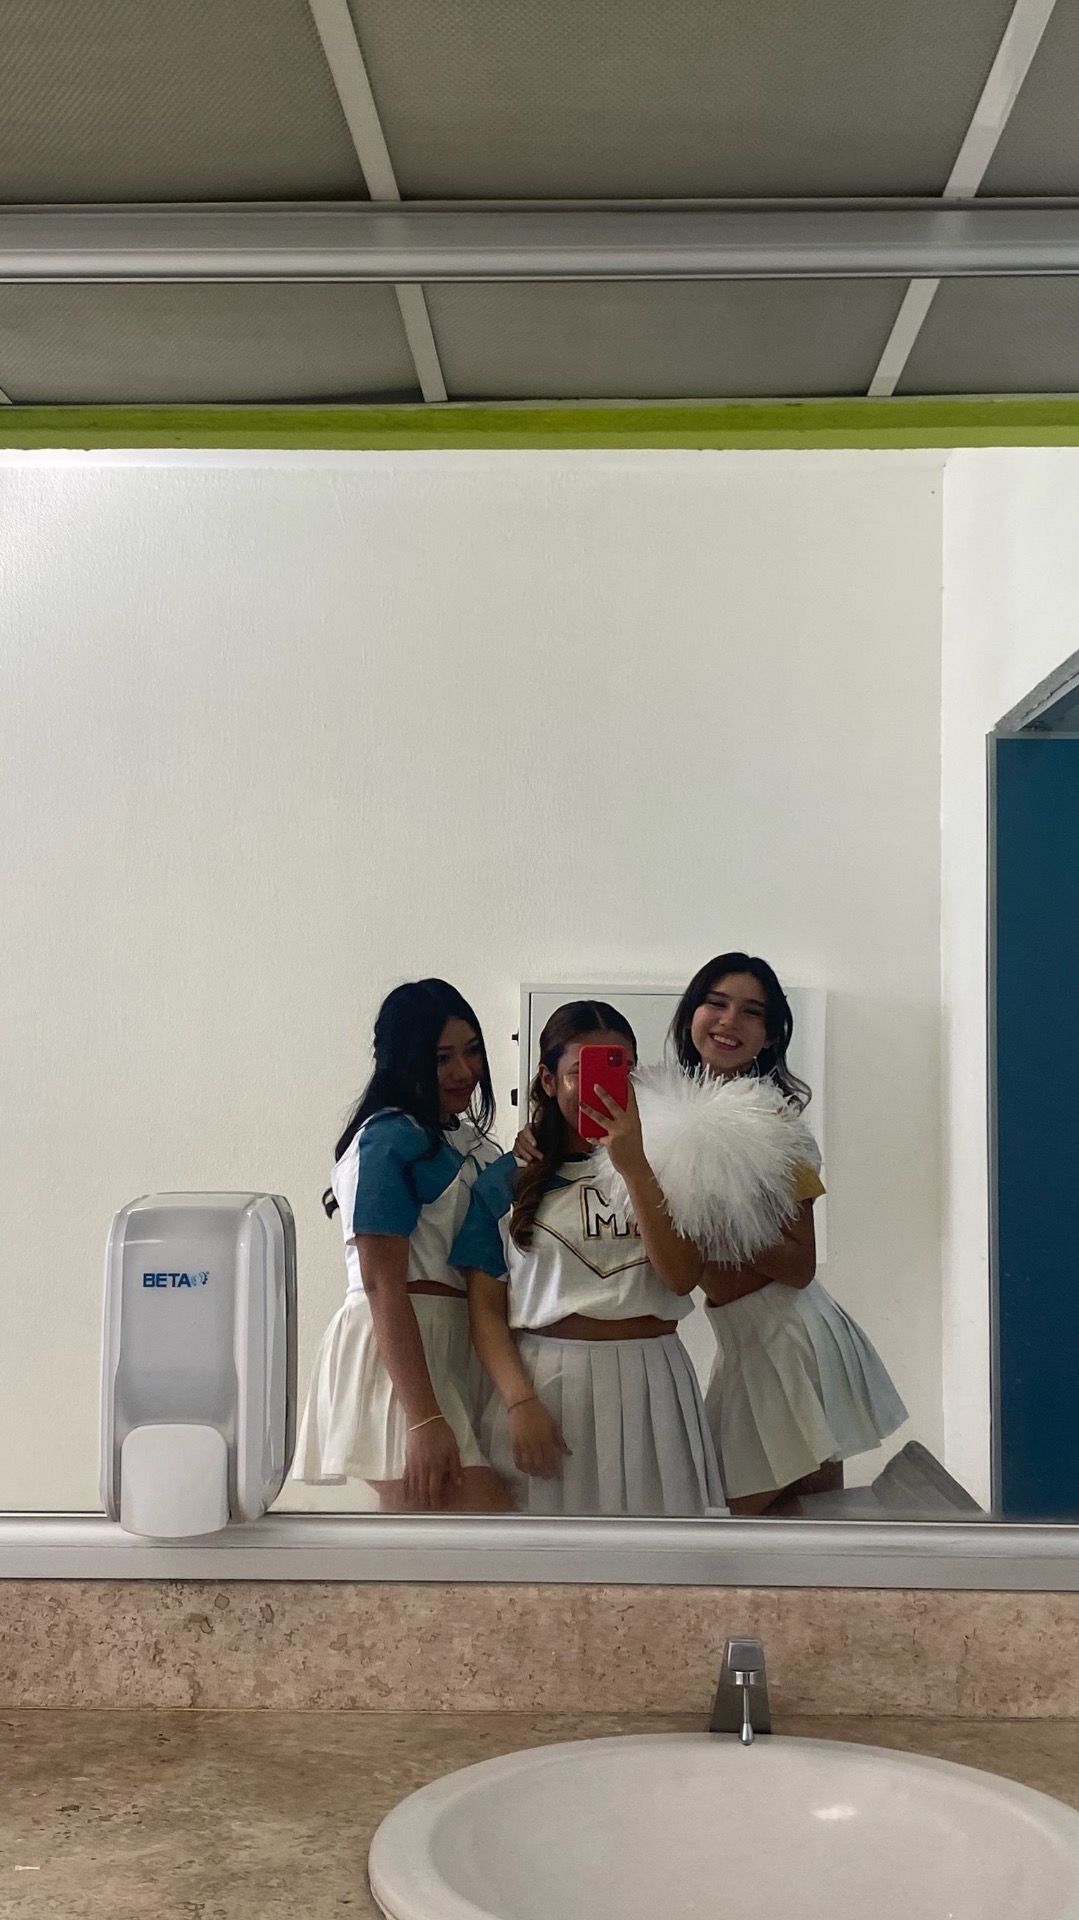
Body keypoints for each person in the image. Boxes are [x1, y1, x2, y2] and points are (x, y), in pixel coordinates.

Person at [452, 1001, 725, 1517]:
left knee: (660, 1550)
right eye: (581, 1072)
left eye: (621, 1068)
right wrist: (519, 1402)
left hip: (654, 1381)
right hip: (548, 1383)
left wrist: (635, 1167)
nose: (601, 1087)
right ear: (548, 1080)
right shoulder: (506, 1179)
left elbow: (681, 1277)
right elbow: (485, 1310)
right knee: (553, 1551)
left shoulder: (670, 1167)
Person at [670, 952, 908, 1514]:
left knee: (751, 1523)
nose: (729, 1021)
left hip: (788, 1336)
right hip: (746, 1341)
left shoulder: (778, 1124)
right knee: (796, 1521)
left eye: (751, 1012)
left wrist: (712, 1217)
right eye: (716, 1003)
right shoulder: (664, 1111)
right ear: (690, 1014)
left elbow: (799, 1264)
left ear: (770, 1036)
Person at [292, 978, 512, 1512]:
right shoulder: (387, 1138)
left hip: (453, 1343)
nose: (464, 1071)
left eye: (472, 1050)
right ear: (404, 1060)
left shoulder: (471, 1143)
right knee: (480, 1529)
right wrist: (423, 1417)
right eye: (441, 1058)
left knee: (455, 1539)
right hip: (400, 1351)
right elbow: (380, 1284)